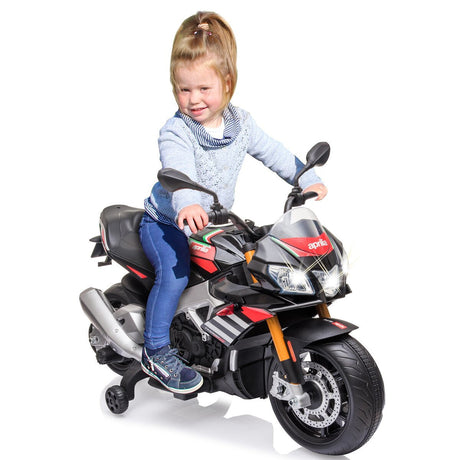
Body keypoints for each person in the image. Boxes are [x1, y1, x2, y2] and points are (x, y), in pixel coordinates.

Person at [139, 11, 328, 394]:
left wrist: (306, 178)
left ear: (227, 83)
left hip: (215, 222)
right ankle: (155, 350)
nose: (193, 99)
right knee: (174, 275)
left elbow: (273, 152)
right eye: (183, 89)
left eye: (203, 88)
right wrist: (187, 203)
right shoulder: (177, 131)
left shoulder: (241, 124)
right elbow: (178, 167)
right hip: (167, 222)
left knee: (254, 263)